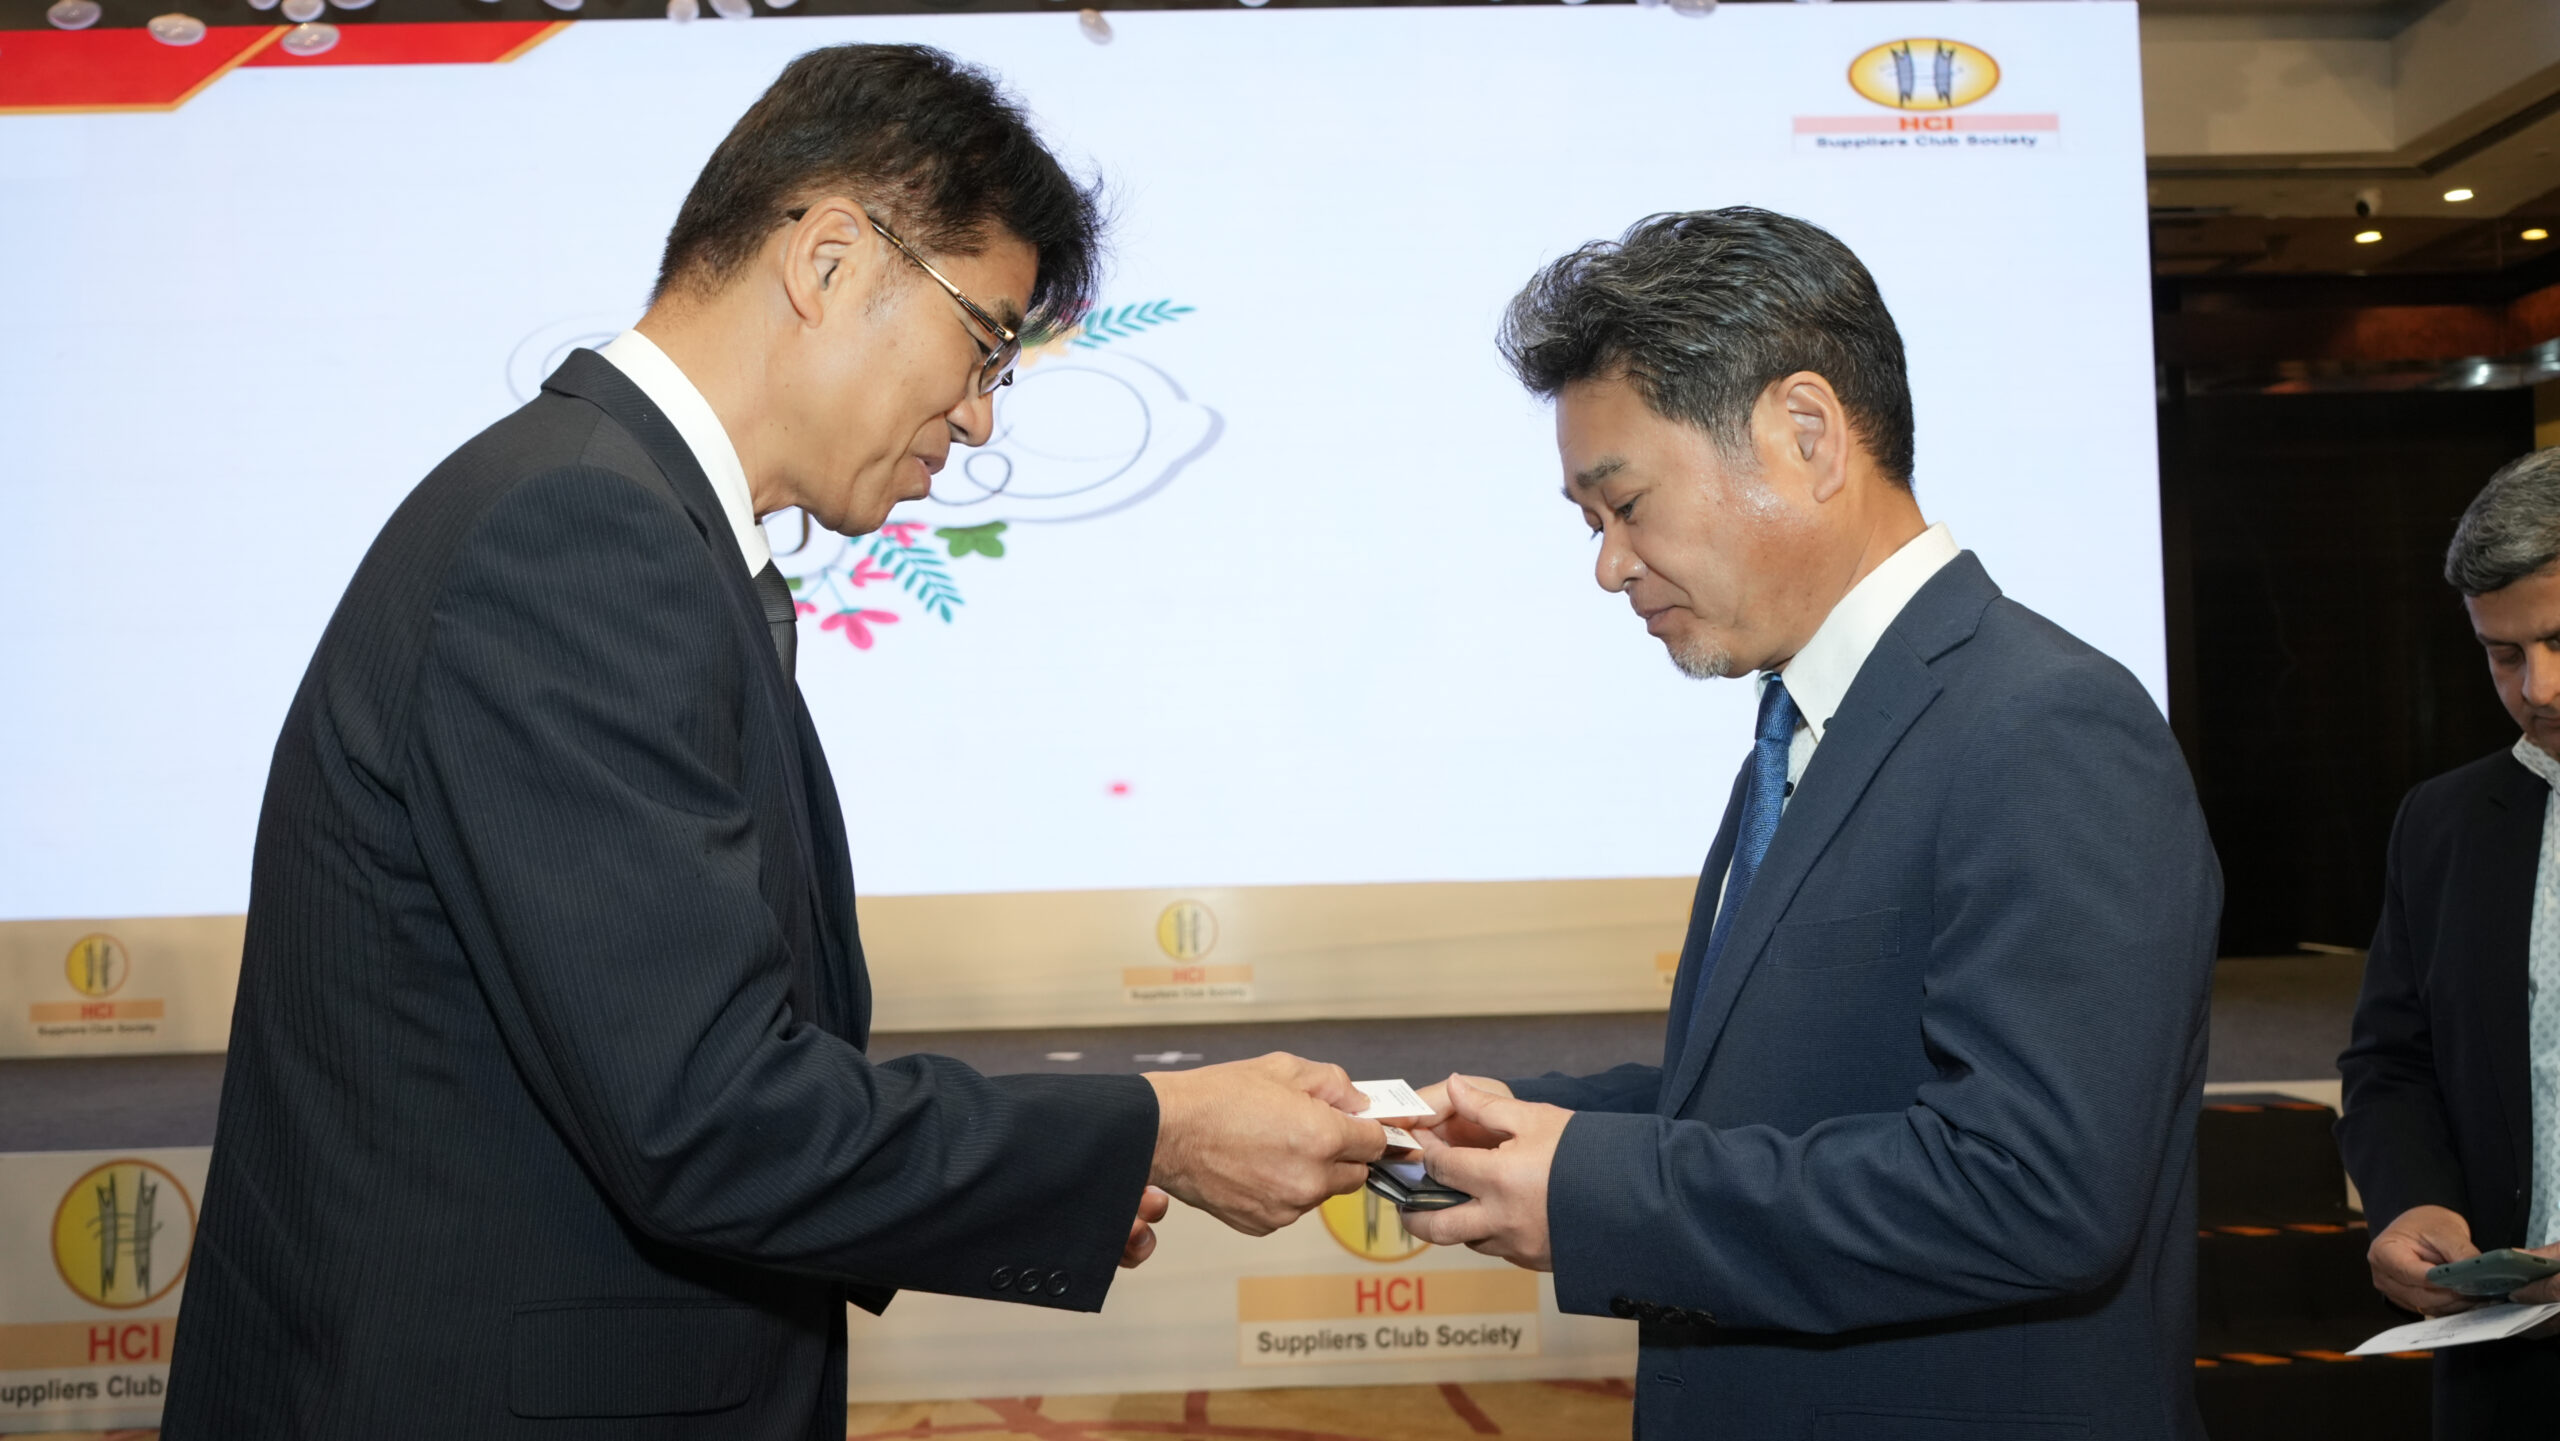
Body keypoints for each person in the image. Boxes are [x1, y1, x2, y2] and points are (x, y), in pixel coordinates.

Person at [164, 45, 1382, 1439]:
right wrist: (1157, 1129)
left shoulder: (634, 519)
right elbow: (706, 1115)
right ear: (828, 259)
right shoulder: (579, 535)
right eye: (985, 343)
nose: (982, 415)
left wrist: (1057, 1175)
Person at [1397, 208, 2222, 1439]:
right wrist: (1501, 1115)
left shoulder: (2043, 725)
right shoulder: (1811, 721)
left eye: (1626, 505)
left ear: (1805, 434)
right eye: (1590, 524)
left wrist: (1592, 1186)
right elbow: (1797, 1090)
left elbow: (2030, 1189)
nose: (1609, 566)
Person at [2337, 447, 2560, 1439]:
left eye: (2559, 640)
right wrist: (2409, 1204)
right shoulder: (2443, 823)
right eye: (2503, 654)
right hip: (2505, 1379)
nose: (2537, 688)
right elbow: (2392, 1062)